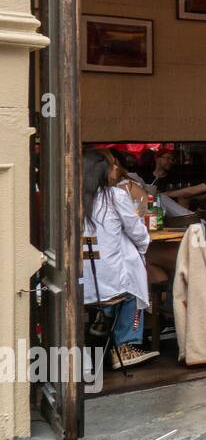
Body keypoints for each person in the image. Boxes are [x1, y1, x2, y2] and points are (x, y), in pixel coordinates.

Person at [81, 149, 157, 368]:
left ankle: (102, 322)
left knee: (125, 273)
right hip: (109, 282)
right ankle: (125, 346)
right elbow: (137, 232)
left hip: (81, 283)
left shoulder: (70, 197)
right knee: (133, 285)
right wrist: (142, 248)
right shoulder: (115, 196)